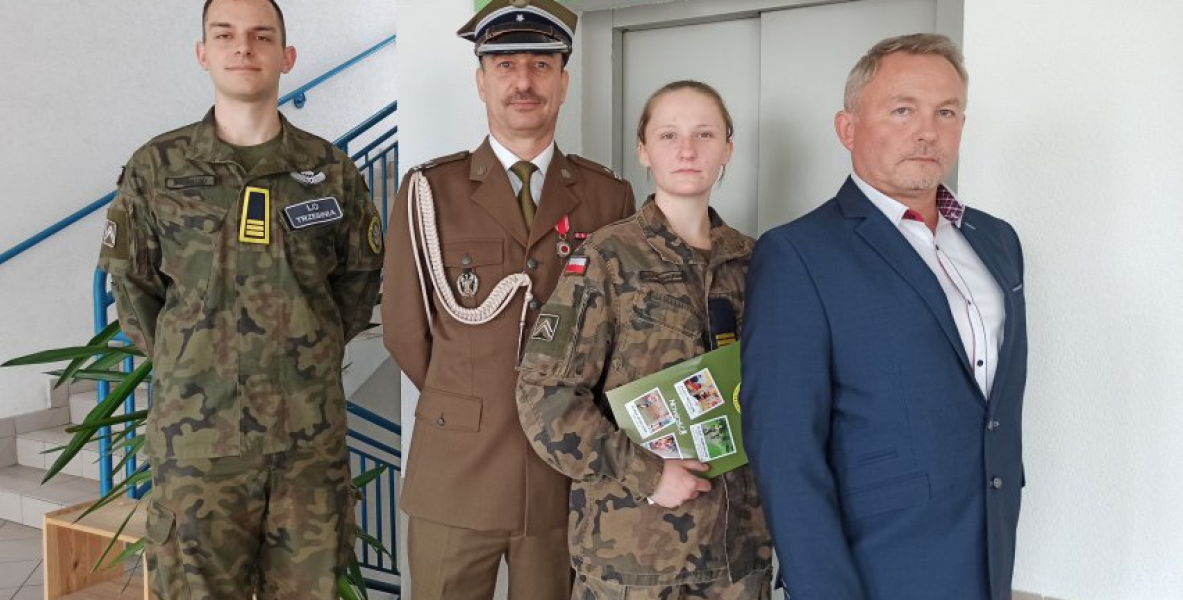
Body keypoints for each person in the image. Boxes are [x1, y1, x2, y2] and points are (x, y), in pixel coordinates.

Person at [96, 0, 383, 597]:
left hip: (307, 447)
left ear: (287, 55)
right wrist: (197, 357)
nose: (243, 47)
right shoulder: (158, 168)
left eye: (261, 35)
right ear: (203, 53)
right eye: (224, 34)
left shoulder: (329, 170)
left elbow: (356, 287)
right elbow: (135, 292)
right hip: (199, 449)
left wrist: (305, 345)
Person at [741, 33, 1028, 600]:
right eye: (902, 110)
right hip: (874, 568)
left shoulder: (997, 241)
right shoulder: (799, 254)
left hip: (988, 555)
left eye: (946, 112)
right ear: (847, 128)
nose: (927, 130)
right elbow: (785, 450)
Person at [381, 1, 635, 597]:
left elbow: (619, 335)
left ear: (564, 82)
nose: (523, 82)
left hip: (563, 474)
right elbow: (403, 330)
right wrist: (473, 398)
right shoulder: (429, 191)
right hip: (457, 471)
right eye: (505, 64)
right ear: (481, 80)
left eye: (541, 65)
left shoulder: (607, 196)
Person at [516, 80, 773, 600]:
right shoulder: (607, 259)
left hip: (737, 560)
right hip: (634, 562)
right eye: (668, 134)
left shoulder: (757, 261)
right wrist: (648, 473)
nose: (687, 149)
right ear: (643, 151)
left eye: (705, 134)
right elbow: (544, 395)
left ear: (728, 148)